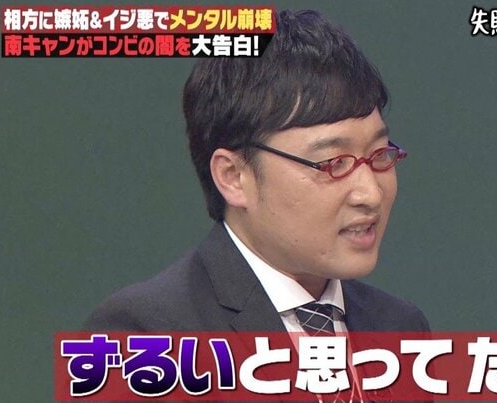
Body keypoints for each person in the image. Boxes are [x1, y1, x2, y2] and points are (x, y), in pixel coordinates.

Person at [85, 9, 428, 341]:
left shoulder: (400, 327)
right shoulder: (144, 332)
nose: (370, 194)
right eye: (334, 162)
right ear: (233, 176)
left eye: (379, 155)